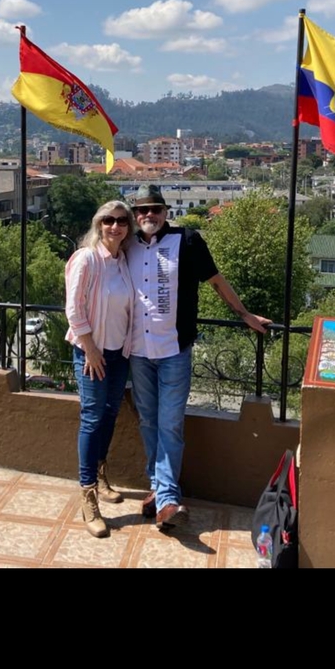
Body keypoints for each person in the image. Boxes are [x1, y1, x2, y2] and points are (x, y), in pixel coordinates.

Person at [127, 184, 272, 531]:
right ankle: (160, 490)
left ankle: (167, 499)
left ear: (166, 213)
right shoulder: (126, 246)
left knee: (171, 424)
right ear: (136, 216)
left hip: (174, 349)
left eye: (155, 210)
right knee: (148, 422)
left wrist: (245, 315)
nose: (149, 215)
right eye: (143, 210)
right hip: (136, 351)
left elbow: (216, 281)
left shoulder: (188, 241)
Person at [65, 200, 136, 538]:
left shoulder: (124, 261)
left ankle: (100, 472)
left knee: (109, 415)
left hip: (118, 353)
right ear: (98, 224)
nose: (115, 226)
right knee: (93, 417)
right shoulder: (87, 258)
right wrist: (90, 348)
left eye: (121, 221)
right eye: (108, 220)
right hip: (90, 352)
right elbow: (73, 307)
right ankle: (88, 494)